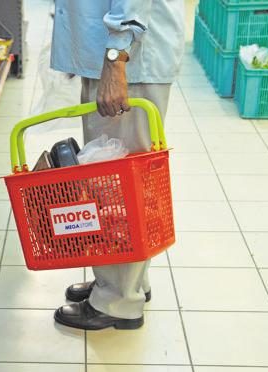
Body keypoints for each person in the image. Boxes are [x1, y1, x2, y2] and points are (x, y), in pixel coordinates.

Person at [50, 0, 185, 330]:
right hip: (113, 56)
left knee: (116, 187)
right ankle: (126, 282)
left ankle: (118, 301)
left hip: (127, 61)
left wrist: (115, 58)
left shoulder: (119, 57)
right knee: (116, 182)